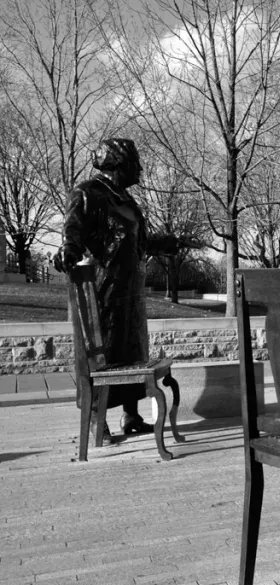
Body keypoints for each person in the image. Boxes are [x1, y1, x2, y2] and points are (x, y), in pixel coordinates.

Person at [55, 138, 176, 442]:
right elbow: (73, 229)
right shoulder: (89, 193)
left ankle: (132, 416)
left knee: (132, 350)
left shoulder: (125, 199)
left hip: (131, 292)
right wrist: (69, 248)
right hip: (104, 293)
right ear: (120, 163)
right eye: (136, 161)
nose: (140, 168)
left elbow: (138, 243)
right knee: (106, 354)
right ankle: (98, 419)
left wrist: (168, 243)